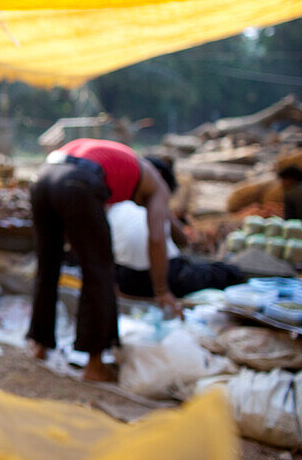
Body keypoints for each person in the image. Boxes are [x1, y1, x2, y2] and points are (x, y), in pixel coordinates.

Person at [27, 138, 183, 382]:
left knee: (48, 264)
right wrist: (162, 290)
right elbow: (157, 236)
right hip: (78, 181)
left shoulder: (121, 164)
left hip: (43, 176)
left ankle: (40, 344)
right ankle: (95, 364)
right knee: (99, 272)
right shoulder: (158, 185)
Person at [111, 157, 244, 298]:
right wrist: (162, 291)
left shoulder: (116, 200)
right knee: (230, 272)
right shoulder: (153, 196)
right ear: (159, 177)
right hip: (166, 277)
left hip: (124, 279)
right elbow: (178, 240)